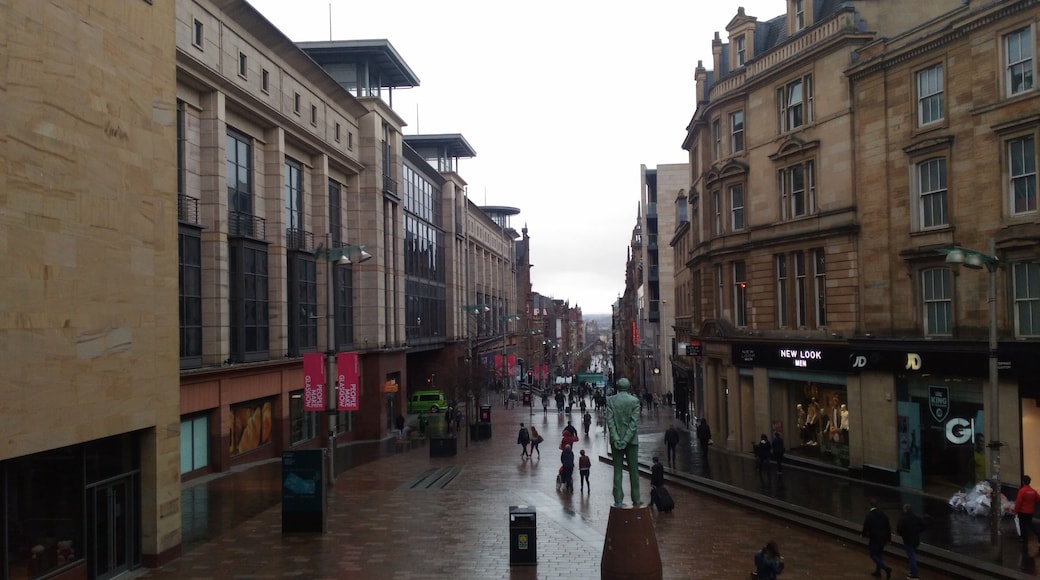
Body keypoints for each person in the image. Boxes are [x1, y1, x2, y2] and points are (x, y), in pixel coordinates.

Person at [606, 377, 642, 507]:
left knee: (617, 470)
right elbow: (634, 423)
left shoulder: (611, 401)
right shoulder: (634, 401)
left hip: (616, 441)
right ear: (629, 387)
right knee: (634, 470)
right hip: (631, 441)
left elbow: (610, 422)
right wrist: (626, 439)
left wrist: (616, 438)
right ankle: (636, 498)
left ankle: (618, 499)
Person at [860, 497, 892, 579]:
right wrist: (889, 539)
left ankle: (885, 568)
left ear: (870, 505)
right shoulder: (884, 515)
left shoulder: (869, 515)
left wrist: (863, 534)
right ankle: (878, 572)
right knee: (879, 554)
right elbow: (888, 527)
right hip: (884, 538)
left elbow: (866, 526)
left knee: (873, 554)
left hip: (875, 538)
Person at [897, 503, 927, 580]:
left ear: (905, 509)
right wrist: (917, 531)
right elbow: (924, 525)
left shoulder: (903, 518)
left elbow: (899, 530)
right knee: (912, 555)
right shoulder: (916, 517)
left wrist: (903, 534)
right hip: (916, 540)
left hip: (907, 540)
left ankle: (915, 574)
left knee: (911, 557)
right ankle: (912, 571)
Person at [1016, 474, 1038, 551]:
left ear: (1023, 482)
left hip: (1022, 511)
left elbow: (1018, 502)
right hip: (1030, 511)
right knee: (1030, 524)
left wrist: (1016, 510)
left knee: (1022, 525)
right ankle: (1038, 534)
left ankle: (1024, 538)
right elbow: (1038, 498)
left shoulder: (1022, 491)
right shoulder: (1033, 491)